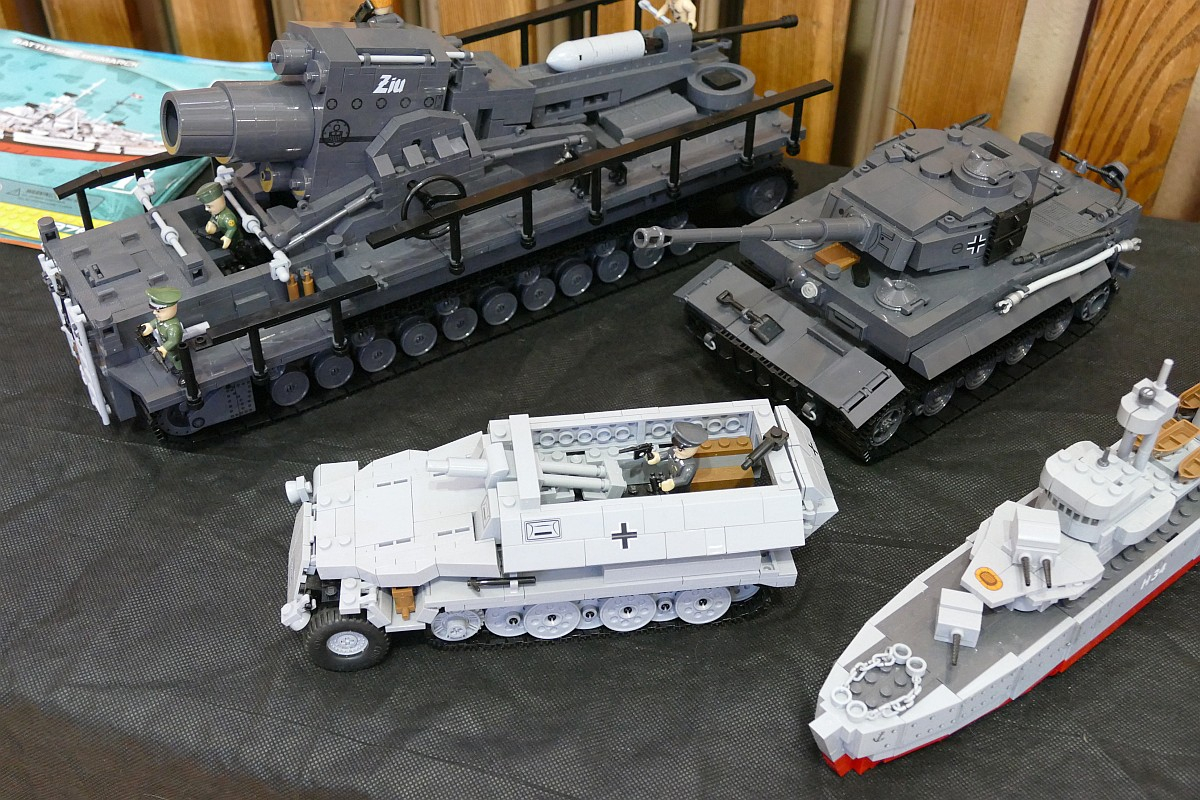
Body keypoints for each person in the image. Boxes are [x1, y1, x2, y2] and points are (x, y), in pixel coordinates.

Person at [645, 421, 708, 491]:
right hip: (669, 477)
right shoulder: (675, 450)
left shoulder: (689, 466)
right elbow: (667, 453)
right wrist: (658, 456)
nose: (675, 449)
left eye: (680, 449)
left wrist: (673, 483)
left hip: (679, 487)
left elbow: (684, 479)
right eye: (676, 446)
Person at [139, 287, 184, 370]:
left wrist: (164, 348)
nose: (154, 312)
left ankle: (181, 370)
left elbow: (173, 341)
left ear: (171, 310)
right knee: (170, 358)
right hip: (165, 346)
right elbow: (156, 322)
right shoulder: (161, 320)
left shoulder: (173, 328)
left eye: (158, 311)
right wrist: (149, 326)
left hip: (173, 349)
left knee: (176, 359)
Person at [196, 181, 240, 250]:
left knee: (236, 245)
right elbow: (214, 217)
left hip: (235, 237)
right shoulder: (216, 214)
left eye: (209, 206)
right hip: (224, 232)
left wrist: (227, 237)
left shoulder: (227, 217)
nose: (206, 209)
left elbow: (232, 228)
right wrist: (211, 222)